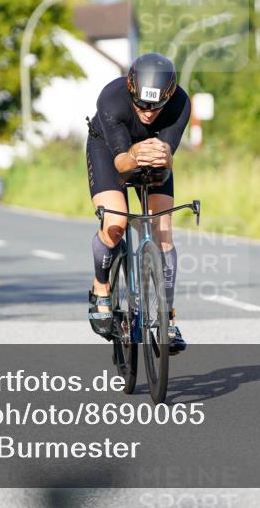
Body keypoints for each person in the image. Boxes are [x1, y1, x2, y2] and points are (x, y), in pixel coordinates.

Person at [85, 53, 191, 354]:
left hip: (156, 155)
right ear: (131, 91)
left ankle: (168, 317)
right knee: (116, 223)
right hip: (109, 151)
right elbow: (121, 162)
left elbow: (168, 158)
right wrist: (134, 156)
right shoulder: (111, 98)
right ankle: (101, 287)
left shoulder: (181, 104)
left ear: (168, 97)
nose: (148, 112)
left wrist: (162, 155)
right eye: (141, 104)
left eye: (156, 106)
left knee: (163, 230)